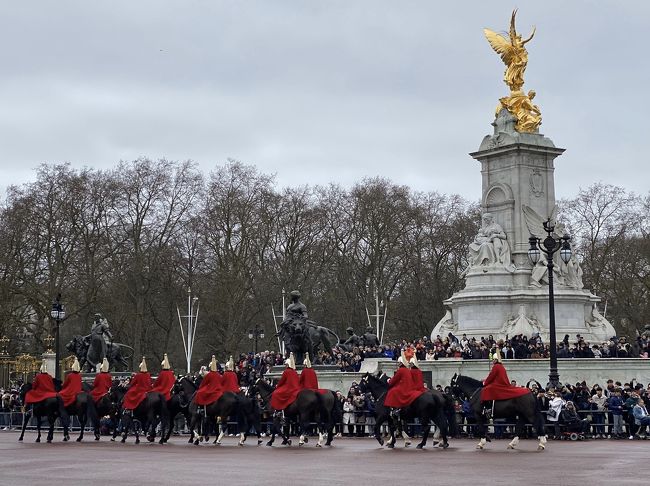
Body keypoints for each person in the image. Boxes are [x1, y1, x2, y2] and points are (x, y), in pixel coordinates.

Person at [480, 349, 529, 418]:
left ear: (496, 360)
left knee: (486, 389)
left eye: (494, 359)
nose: (493, 361)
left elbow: (491, 377)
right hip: (500, 383)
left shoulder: (496, 366)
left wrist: (484, 382)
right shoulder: (501, 366)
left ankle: (488, 408)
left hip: (498, 384)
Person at [384, 352, 422, 417]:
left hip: (406, 387)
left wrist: (389, 381)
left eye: (399, 362)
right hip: (412, 386)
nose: (398, 364)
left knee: (392, 391)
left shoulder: (401, 370)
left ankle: (396, 408)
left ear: (401, 363)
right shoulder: (409, 370)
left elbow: (394, 379)